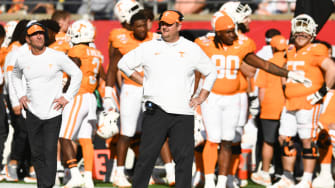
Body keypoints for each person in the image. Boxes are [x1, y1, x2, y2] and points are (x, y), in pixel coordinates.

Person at [195, 11, 311, 188]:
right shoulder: (203, 44)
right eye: (228, 32)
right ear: (218, 33)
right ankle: (210, 181)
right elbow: (193, 69)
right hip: (212, 98)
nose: (233, 35)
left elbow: (263, 64)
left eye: (233, 31)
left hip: (233, 98)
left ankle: (222, 182)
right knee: (212, 139)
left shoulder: (242, 45)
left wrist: (289, 74)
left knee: (228, 140)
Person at [117, 10, 218, 188]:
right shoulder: (149, 47)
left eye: (169, 24)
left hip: (183, 112)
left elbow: (211, 72)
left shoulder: (191, 48)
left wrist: (202, 95)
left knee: (184, 160)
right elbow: (123, 64)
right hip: (156, 110)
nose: (164, 27)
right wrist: (143, 81)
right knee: (146, 158)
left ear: (179, 25)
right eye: (162, 23)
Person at [11, 21, 82, 188]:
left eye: (41, 33)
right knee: (36, 153)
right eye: (35, 34)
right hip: (32, 111)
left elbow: (77, 73)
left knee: (50, 151)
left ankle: (46, 186)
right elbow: (15, 76)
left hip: (53, 111)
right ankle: (43, 185)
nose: (39, 36)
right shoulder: (22, 58)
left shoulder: (56, 56)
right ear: (27, 39)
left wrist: (67, 97)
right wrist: (20, 94)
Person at [269, 14, 335, 188]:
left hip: (308, 102)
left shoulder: (317, 49)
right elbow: (284, 69)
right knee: (285, 138)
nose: (300, 37)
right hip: (290, 102)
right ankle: (288, 177)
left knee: (307, 140)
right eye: (298, 34)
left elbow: (331, 68)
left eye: (304, 34)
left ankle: (307, 179)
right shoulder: (290, 50)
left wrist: (322, 91)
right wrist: (285, 88)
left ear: (312, 35)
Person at [58, 19, 104, 188]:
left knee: (64, 136)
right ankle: (89, 179)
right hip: (91, 97)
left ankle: (76, 175)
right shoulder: (96, 53)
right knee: (85, 140)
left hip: (77, 96)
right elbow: (100, 78)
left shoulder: (76, 50)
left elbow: (74, 70)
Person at [251, 35, 287, 186]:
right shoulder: (290, 63)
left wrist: (262, 107)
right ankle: (285, 174)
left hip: (270, 107)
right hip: (287, 107)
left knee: (268, 142)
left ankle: (265, 173)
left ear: (272, 48)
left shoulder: (268, 64)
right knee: (286, 141)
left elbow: (261, 90)